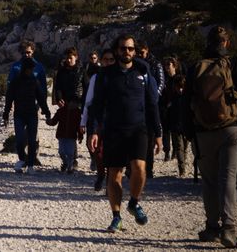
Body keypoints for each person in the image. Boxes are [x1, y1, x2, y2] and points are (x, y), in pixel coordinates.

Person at [88, 34, 161, 233]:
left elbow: (152, 104)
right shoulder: (106, 75)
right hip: (113, 130)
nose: (126, 52)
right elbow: (97, 105)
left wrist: (158, 132)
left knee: (139, 168)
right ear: (116, 50)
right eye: (122, 48)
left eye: (130, 49)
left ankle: (134, 202)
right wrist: (94, 131)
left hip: (139, 128)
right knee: (115, 174)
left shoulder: (143, 72)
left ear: (135, 51)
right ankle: (116, 216)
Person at [185, 26, 237, 247]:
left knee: (209, 181)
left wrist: (190, 132)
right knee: (228, 179)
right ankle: (229, 228)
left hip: (203, 132)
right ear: (226, 43)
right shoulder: (234, 65)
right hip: (230, 128)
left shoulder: (195, 68)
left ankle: (212, 227)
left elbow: (185, 103)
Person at [4, 57, 51, 174]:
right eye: (30, 69)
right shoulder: (15, 82)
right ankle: (22, 160)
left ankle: (30, 165)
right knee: (19, 140)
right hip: (19, 114)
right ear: (25, 69)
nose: (31, 71)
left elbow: (40, 98)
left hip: (31, 114)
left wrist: (47, 112)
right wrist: (5, 113)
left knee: (31, 141)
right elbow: (9, 98)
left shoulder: (34, 81)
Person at [81, 49, 116, 191]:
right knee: (97, 151)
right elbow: (88, 102)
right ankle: (101, 174)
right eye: (106, 59)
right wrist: (83, 122)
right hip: (97, 119)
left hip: (114, 120)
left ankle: (109, 183)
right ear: (101, 61)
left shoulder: (119, 77)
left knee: (111, 153)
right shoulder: (96, 78)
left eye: (111, 59)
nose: (108, 62)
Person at [52, 47, 84, 172]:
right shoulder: (61, 71)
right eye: (67, 58)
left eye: (71, 57)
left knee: (73, 131)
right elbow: (58, 87)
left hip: (77, 105)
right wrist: (59, 98)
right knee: (66, 130)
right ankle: (67, 162)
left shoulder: (82, 71)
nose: (68, 60)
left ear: (76, 57)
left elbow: (85, 87)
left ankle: (73, 161)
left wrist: (79, 102)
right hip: (65, 105)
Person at [137, 41, 166, 178]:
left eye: (142, 52)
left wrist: (153, 96)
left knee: (150, 138)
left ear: (147, 51)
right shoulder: (135, 65)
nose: (140, 55)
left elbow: (160, 83)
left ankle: (148, 168)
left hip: (151, 104)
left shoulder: (156, 65)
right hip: (137, 106)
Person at [47, 94, 84, 174]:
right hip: (61, 135)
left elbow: (79, 126)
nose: (75, 105)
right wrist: (49, 122)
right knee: (61, 152)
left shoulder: (77, 113)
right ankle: (65, 163)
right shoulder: (61, 111)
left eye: (76, 103)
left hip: (72, 136)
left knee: (70, 153)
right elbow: (54, 121)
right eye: (74, 103)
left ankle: (70, 167)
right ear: (68, 102)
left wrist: (80, 136)